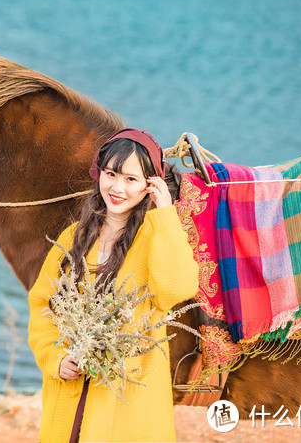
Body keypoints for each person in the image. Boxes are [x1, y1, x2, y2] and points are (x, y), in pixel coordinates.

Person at [28, 128, 199, 442]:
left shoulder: (155, 237)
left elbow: (177, 289)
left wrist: (165, 214)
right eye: (111, 174)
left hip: (127, 394)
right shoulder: (72, 238)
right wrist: (57, 358)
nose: (117, 187)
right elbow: (42, 306)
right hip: (70, 390)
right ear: (99, 174)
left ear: (150, 185)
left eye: (131, 179)